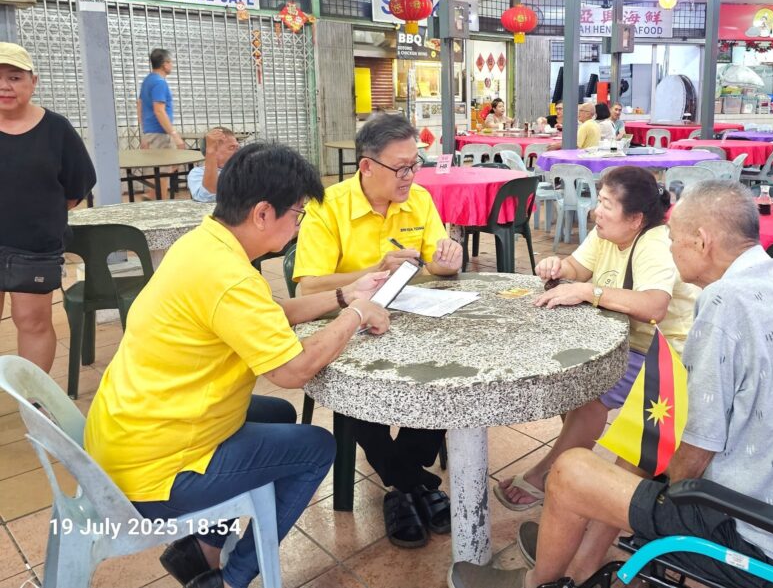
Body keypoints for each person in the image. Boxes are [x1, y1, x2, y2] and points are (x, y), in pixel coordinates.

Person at [451, 180, 773, 588]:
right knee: (633, 441)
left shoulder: (723, 304)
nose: (669, 248)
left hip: (765, 535)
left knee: (574, 470)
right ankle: (578, 567)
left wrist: (661, 506)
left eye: (675, 239)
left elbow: (696, 451)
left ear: (702, 242)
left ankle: (535, 582)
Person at [84, 143, 391, 588]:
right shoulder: (230, 278)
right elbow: (292, 372)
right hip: (153, 472)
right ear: (264, 213)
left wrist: (346, 295)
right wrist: (357, 316)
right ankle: (234, 576)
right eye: (298, 214)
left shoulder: (204, 244)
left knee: (279, 416)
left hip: (128, 431)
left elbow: (270, 314)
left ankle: (202, 549)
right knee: (317, 448)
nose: (299, 225)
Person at [292, 113, 463, 548]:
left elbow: (436, 264)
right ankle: (412, 482)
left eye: (414, 164)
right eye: (399, 167)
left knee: (447, 380)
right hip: (347, 327)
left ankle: (403, 483)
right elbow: (307, 285)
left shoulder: (419, 200)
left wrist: (448, 260)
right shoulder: (327, 207)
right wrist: (371, 272)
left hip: (411, 320)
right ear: (366, 166)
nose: (409, 176)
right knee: (356, 386)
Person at [494, 166, 699, 512]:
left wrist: (590, 291)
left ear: (635, 219)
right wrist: (558, 268)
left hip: (665, 352)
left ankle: (547, 474)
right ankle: (571, 459)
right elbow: (578, 267)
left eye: (606, 204)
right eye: (598, 200)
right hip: (625, 340)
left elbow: (655, 306)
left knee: (591, 393)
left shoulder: (654, 245)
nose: (595, 211)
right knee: (569, 375)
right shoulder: (606, 233)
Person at [0, 42, 96, 374]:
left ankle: (33, 405)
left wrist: (37, 214)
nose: (4, 86)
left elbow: (77, 185)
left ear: (32, 81)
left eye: (14, 77)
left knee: (33, 321)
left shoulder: (56, 130)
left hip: (35, 246)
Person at [138, 48, 185, 150]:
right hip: (160, 136)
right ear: (165, 64)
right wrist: (174, 135)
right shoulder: (160, 83)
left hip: (150, 135)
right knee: (166, 165)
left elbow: (139, 106)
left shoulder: (147, 81)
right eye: (171, 62)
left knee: (152, 165)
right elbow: (159, 111)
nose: (172, 65)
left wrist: (144, 134)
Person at [187, 127, 240, 202]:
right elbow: (207, 197)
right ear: (213, 151)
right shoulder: (198, 173)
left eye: (237, 148)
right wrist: (211, 151)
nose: (238, 152)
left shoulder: (244, 169)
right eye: (231, 148)